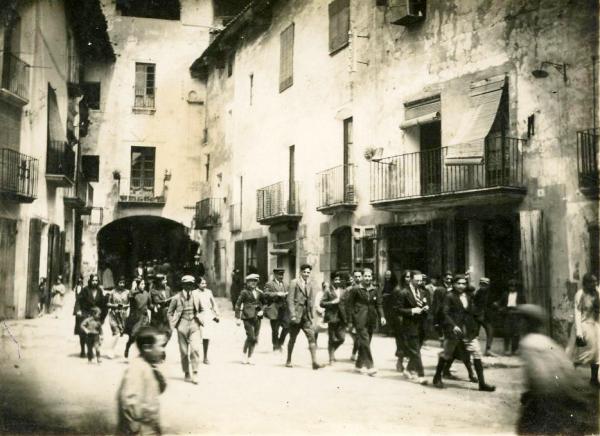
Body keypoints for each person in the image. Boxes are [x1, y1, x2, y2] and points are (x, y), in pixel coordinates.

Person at [517, 304, 598, 435]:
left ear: (527, 323)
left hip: (551, 396)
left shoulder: (528, 343)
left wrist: (533, 398)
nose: (518, 324)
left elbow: (540, 377)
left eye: (520, 320)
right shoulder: (548, 341)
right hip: (570, 392)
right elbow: (566, 367)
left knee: (526, 428)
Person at [432, 274, 495, 391]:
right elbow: (444, 313)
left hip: (468, 331)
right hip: (454, 330)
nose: (461, 286)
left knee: (477, 354)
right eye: (458, 283)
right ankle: (437, 377)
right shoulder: (449, 296)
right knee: (446, 354)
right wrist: (453, 325)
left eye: (463, 283)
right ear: (454, 284)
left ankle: (482, 384)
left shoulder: (469, 296)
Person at [117, 326, 167, 436]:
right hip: (142, 430)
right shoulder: (137, 368)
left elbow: (160, 388)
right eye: (160, 346)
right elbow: (129, 402)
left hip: (149, 427)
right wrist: (135, 429)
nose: (163, 350)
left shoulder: (147, 366)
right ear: (147, 348)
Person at [343, 268, 386, 376]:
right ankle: (370, 366)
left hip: (371, 319)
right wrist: (350, 321)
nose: (367, 278)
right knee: (365, 341)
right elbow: (349, 306)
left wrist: (382, 316)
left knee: (365, 342)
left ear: (372, 277)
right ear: (362, 277)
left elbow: (379, 305)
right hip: (359, 319)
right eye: (365, 276)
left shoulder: (375, 290)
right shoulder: (356, 289)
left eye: (369, 276)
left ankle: (358, 365)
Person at [393, 270, 428, 384]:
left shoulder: (422, 291)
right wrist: (412, 310)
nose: (419, 282)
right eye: (416, 280)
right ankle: (421, 375)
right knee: (416, 351)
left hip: (421, 325)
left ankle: (408, 369)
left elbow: (425, 304)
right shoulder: (403, 292)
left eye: (420, 280)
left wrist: (426, 308)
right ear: (411, 279)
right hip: (409, 326)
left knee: (415, 351)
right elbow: (397, 309)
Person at [167, 275, 204, 383]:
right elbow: (169, 312)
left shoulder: (196, 296)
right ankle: (186, 372)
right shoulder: (176, 298)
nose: (189, 286)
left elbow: (202, 310)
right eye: (187, 284)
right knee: (183, 351)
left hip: (194, 325)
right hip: (182, 325)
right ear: (183, 285)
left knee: (195, 349)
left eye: (191, 284)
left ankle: (195, 372)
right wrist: (173, 324)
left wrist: (199, 318)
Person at [286, 264, 323, 370]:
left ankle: (314, 362)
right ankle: (288, 359)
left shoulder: (310, 284)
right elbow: (290, 300)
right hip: (296, 316)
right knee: (292, 338)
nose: (306, 274)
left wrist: (311, 315)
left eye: (308, 272)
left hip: (306, 316)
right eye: (304, 272)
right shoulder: (294, 282)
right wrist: (292, 314)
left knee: (311, 337)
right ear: (300, 272)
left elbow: (310, 300)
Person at [566, 273, 600, 386]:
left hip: (595, 326)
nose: (595, 284)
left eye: (596, 281)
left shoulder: (598, 292)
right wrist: (579, 333)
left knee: (597, 353)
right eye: (592, 282)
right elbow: (578, 313)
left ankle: (594, 379)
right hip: (583, 326)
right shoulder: (580, 294)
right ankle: (569, 378)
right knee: (580, 354)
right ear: (586, 283)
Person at [235, 273, 265, 364]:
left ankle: (250, 357)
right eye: (251, 281)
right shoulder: (244, 292)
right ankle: (244, 354)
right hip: (247, 317)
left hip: (257, 317)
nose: (253, 283)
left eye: (255, 281)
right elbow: (237, 305)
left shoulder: (260, 292)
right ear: (247, 282)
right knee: (251, 336)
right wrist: (237, 318)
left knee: (255, 337)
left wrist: (262, 311)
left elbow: (264, 303)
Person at [76, 274, 107, 358]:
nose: (94, 282)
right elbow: (79, 300)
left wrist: (102, 315)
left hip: (95, 314)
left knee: (94, 333)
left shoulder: (100, 290)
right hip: (85, 312)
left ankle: (90, 349)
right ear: (90, 281)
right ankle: (83, 349)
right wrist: (78, 310)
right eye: (93, 280)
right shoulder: (85, 289)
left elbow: (103, 303)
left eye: (96, 280)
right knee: (83, 333)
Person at [320, 271, 346, 364]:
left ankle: (332, 351)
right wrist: (332, 303)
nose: (337, 281)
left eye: (339, 279)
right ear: (332, 280)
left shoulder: (343, 290)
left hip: (342, 317)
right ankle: (331, 357)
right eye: (336, 279)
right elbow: (321, 303)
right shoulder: (328, 291)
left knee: (342, 338)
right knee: (332, 338)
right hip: (332, 317)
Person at [495, 278, 526, 355]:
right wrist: (498, 306)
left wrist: (520, 311)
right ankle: (506, 349)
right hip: (507, 313)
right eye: (510, 286)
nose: (512, 288)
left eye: (514, 286)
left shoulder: (520, 295)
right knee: (507, 332)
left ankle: (514, 349)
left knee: (516, 333)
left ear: (516, 287)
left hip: (516, 314)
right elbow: (500, 303)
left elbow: (524, 304)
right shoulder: (505, 294)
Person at [263, 268, 289, 352]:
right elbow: (265, 294)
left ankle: (280, 343)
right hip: (274, 309)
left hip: (284, 309)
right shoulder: (269, 284)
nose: (281, 276)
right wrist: (277, 294)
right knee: (275, 330)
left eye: (282, 275)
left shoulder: (285, 284)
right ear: (275, 275)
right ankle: (275, 345)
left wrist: (287, 294)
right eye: (279, 274)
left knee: (287, 327)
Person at [124, 278, 152, 359]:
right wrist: (133, 288)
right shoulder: (133, 294)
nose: (143, 286)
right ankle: (127, 346)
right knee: (133, 336)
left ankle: (143, 355)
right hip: (135, 318)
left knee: (145, 336)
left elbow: (150, 305)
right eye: (141, 284)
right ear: (137, 285)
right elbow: (129, 297)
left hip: (144, 318)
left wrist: (155, 306)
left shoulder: (147, 293)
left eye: (144, 284)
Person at [197, 277, 219, 364]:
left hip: (207, 316)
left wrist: (216, 314)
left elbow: (213, 303)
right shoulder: (194, 293)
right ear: (198, 284)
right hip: (198, 315)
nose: (204, 285)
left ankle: (205, 357)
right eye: (202, 283)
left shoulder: (209, 292)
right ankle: (193, 355)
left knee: (206, 336)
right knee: (195, 337)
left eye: (205, 283)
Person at [107, 277, 130, 359]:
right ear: (117, 283)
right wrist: (115, 305)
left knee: (120, 333)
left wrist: (125, 306)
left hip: (123, 315)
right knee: (116, 334)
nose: (122, 284)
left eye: (123, 283)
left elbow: (130, 303)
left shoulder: (127, 292)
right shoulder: (112, 292)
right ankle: (110, 350)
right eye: (120, 283)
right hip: (114, 314)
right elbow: (108, 304)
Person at [150, 274, 173, 359]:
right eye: (163, 280)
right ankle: (158, 351)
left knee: (169, 333)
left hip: (168, 314)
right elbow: (156, 301)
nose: (165, 282)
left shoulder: (168, 289)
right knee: (158, 334)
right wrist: (161, 303)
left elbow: (172, 299)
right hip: (158, 316)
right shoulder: (153, 291)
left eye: (165, 280)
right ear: (158, 282)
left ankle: (161, 348)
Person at [472, 277, 495, 356]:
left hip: (486, 316)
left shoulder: (490, 294)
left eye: (485, 285)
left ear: (488, 285)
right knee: (475, 333)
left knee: (490, 331)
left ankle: (488, 350)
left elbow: (491, 305)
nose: (483, 286)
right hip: (477, 315)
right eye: (482, 284)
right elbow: (474, 304)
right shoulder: (478, 293)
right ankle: (473, 350)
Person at [343, 270, 363, 361]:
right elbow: (348, 305)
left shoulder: (365, 287)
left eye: (359, 276)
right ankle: (356, 354)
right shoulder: (349, 290)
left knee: (360, 337)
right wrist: (349, 320)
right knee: (358, 337)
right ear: (354, 278)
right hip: (355, 317)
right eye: (356, 276)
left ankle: (356, 353)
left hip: (363, 316)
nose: (358, 278)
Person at [381, 270, 398, 337]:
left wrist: (387, 295)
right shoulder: (385, 283)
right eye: (386, 275)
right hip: (386, 303)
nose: (387, 276)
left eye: (389, 275)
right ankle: (388, 331)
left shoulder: (394, 283)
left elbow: (394, 293)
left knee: (391, 317)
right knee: (387, 316)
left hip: (392, 303)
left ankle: (392, 332)